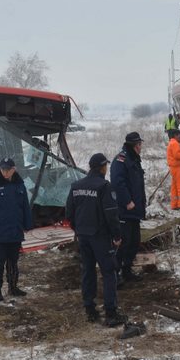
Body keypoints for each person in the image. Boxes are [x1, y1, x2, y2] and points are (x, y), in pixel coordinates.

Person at [66, 153, 128, 327]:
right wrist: (117, 236)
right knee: (109, 272)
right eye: (105, 166)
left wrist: (78, 230)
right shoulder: (104, 186)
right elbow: (111, 214)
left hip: (83, 237)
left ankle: (90, 309)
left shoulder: (76, 186)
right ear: (102, 167)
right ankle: (110, 313)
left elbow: (69, 213)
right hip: (100, 237)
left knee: (88, 271)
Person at [0, 157, 33, 302]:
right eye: (2, 169)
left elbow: (25, 207)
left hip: (15, 231)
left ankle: (13, 287)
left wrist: (28, 224)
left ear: (13, 169)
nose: (4, 172)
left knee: (13, 261)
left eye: (7, 169)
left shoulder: (20, 185)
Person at [110, 131, 147, 284]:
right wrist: (127, 201)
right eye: (139, 144)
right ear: (135, 145)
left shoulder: (133, 159)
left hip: (135, 210)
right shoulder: (121, 160)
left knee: (134, 242)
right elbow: (118, 183)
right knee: (124, 243)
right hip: (125, 210)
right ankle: (115, 273)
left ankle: (127, 270)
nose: (141, 147)